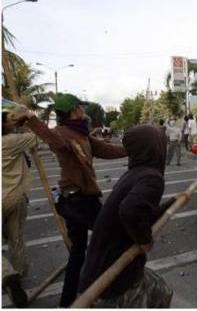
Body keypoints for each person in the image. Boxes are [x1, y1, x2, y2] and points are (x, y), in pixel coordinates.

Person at [10, 93, 128, 307]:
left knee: (78, 251)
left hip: (79, 199)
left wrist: (131, 150)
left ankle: (67, 302)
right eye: (80, 108)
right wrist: (31, 119)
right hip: (78, 200)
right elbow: (54, 140)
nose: (83, 111)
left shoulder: (81, 133)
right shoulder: (62, 133)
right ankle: (109, 290)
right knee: (110, 237)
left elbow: (104, 149)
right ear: (73, 111)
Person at [79, 125, 173, 308]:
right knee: (157, 297)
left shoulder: (135, 174)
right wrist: (144, 240)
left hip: (100, 268)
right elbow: (130, 210)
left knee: (161, 292)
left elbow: (143, 211)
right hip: (111, 277)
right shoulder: (151, 178)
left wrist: (171, 204)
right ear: (155, 148)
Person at [2, 109, 38, 307]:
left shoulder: (10, 139)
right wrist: (27, 119)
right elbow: (36, 137)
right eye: (10, 120)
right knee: (16, 239)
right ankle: (17, 274)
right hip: (13, 197)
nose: (13, 122)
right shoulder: (11, 141)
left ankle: (7, 274)